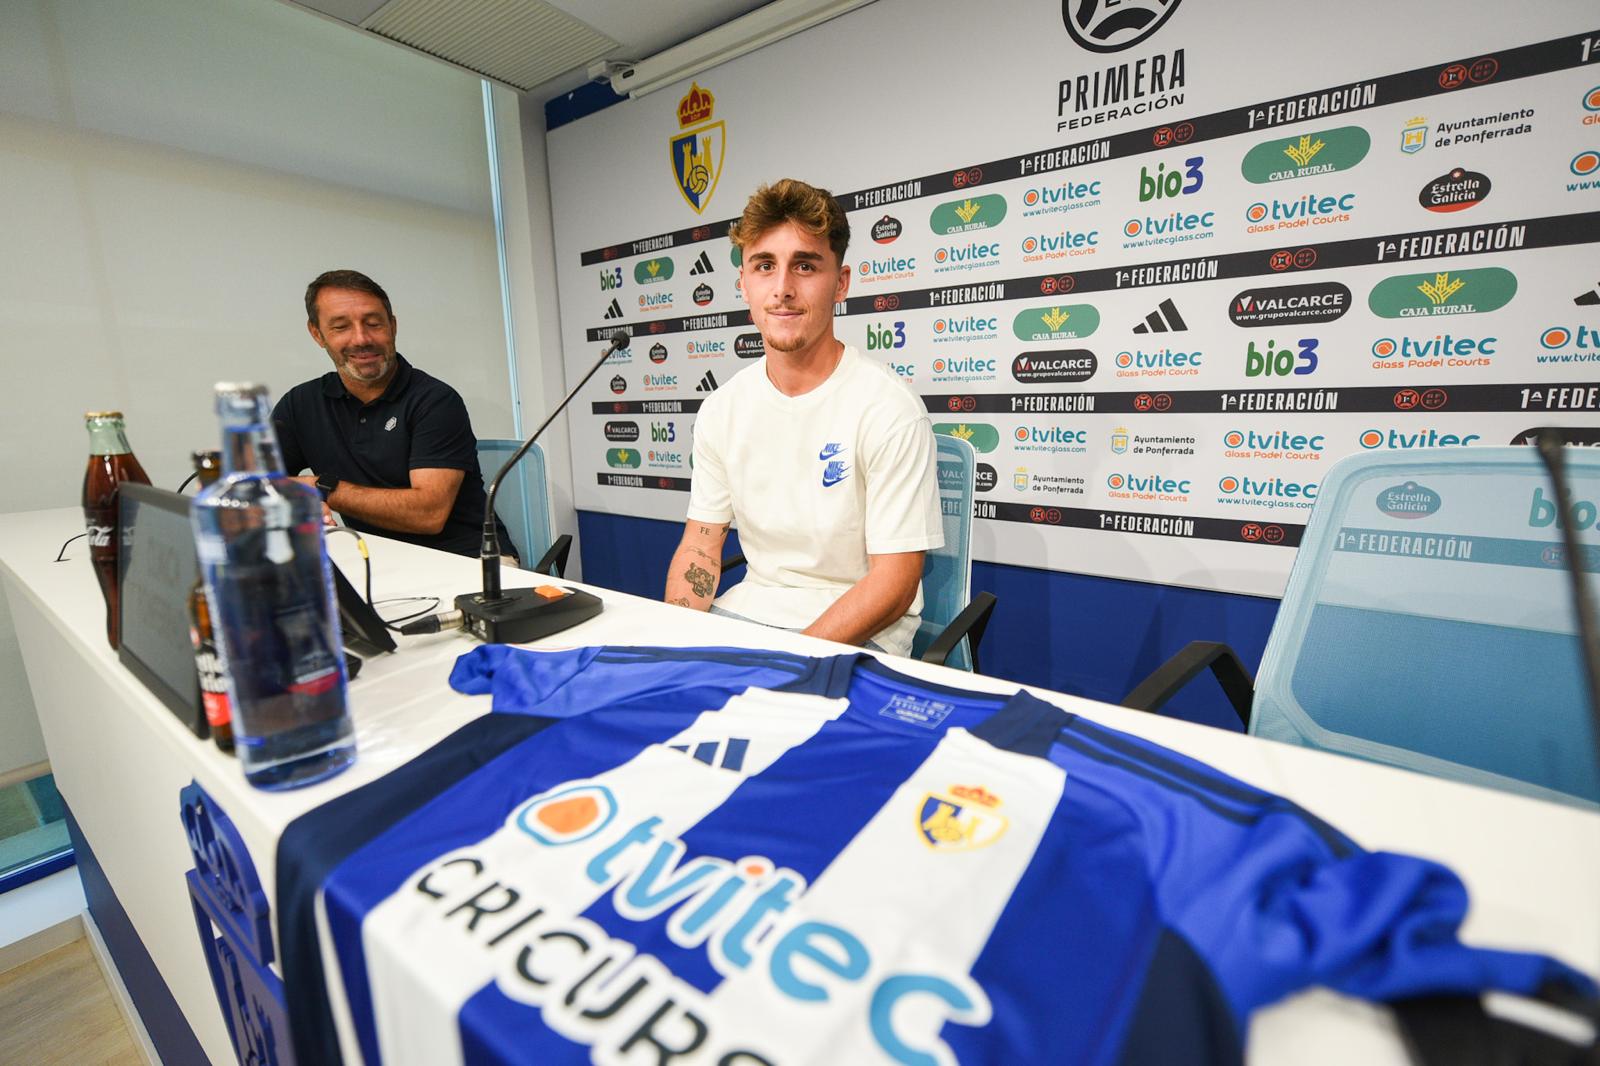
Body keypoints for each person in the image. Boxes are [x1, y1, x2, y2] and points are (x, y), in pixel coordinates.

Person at [664, 179, 942, 656]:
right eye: (764, 266)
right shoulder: (723, 409)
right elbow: (701, 550)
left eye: (806, 266)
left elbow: (895, 584)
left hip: (860, 634)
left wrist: (786, 662)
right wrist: (678, 643)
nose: (783, 289)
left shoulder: (888, 408)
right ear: (744, 285)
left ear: (841, 283)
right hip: (748, 617)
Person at [273, 270, 510, 559]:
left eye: (373, 324)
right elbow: (252, 484)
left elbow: (429, 514)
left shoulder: (435, 400)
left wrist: (319, 488)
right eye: (341, 327)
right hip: (376, 559)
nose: (361, 339)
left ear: (393, 326)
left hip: (470, 561)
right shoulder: (300, 403)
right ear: (317, 334)